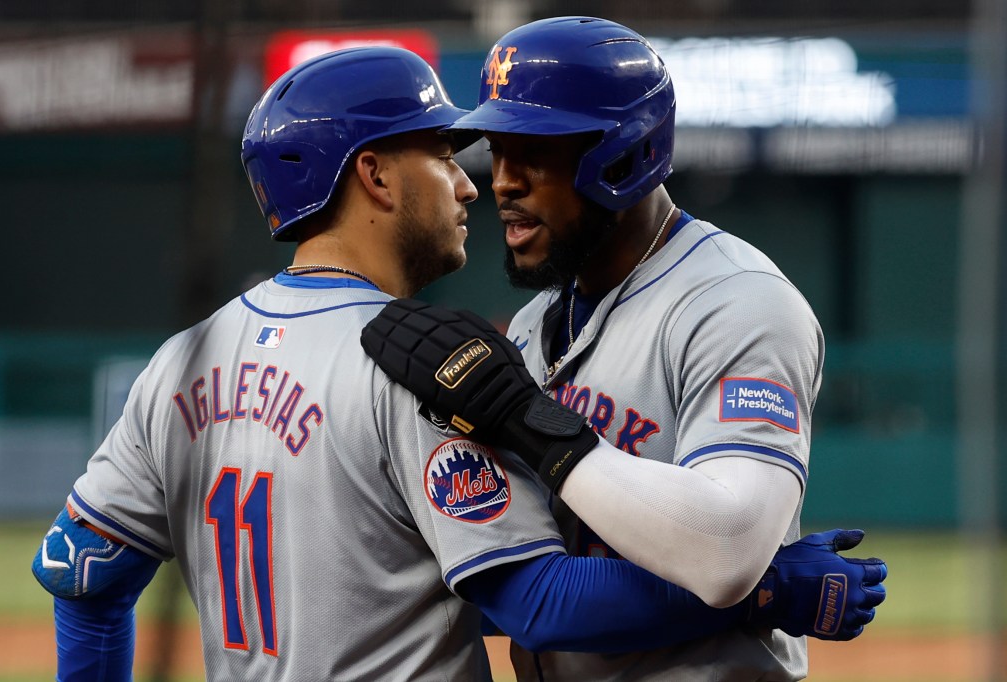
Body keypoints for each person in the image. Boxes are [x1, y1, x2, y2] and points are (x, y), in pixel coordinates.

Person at [31, 47, 884, 682]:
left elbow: (83, 569)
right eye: (445, 155)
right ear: (373, 174)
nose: (476, 183)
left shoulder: (181, 360)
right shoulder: (419, 367)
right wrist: (767, 590)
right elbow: (532, 601)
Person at [361, 16, 872, 681]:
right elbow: (519, 582)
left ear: (623, 155)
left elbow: (728, 552)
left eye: (532, 151)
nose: (502, 181)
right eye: (495, 149)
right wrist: (774, 590)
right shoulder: (533, 323)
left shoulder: (738, 301)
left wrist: (527, 421)